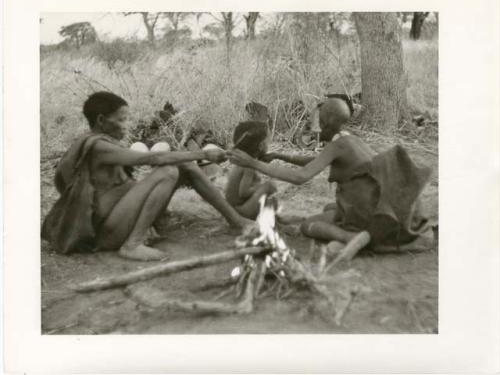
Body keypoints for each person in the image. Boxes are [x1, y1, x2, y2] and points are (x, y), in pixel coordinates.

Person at [42, 91, 252, 261]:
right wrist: (204, 154)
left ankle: (236, 221)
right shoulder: (97, 146)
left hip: (118, 218)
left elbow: (121, 185)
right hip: (106, 233)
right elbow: (152, 159)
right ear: (101, 120)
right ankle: (133, 244)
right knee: (168, 172)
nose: (127, 124)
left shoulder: (103, 141)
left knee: (185, 164)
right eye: (122, 120)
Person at [227, 97, 433, 258]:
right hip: (375, 204)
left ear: (326, 122)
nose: (314, 127)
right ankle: (357, 233)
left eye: (318, 121)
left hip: (367, 210)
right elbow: (317, 160)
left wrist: (252, 163)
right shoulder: (349, 139)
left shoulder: (338, 145)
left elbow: (301, 177)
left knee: (309, 226)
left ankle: (351, 238)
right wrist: (280, 155)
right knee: (329, 210)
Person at [225, 121, 277, 219]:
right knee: (269, 186)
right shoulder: (249, 165)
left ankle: (274, 218)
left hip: (232, 209)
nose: (268, 145)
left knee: (271, 199)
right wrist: (261, 186)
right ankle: (273, 220)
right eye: (268, 142)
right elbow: (243, 192)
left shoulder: (241, 161)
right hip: (241, 211)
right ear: (261, 145)